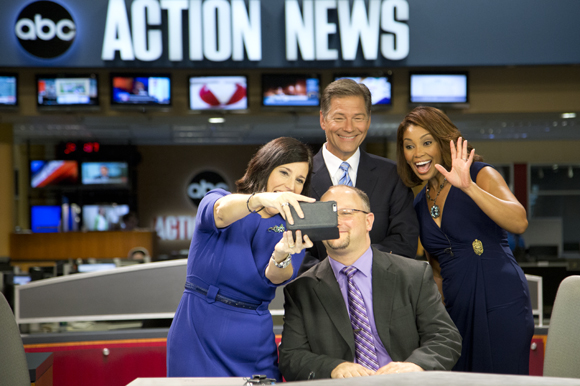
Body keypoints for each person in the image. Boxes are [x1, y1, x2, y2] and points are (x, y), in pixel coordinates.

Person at [396, 106, 534, 374]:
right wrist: (435, 321)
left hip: (501, 299)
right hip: (457, 310)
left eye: (427, 142)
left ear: (443, 142)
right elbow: (436, 271)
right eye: (409, 146)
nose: (418, 153)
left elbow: (519, 222)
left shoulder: (480, 174)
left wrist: (468, 187)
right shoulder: (418, 205)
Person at [167, 137, 315, 380]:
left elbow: (276, 278)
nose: (291, 185)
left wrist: (281, 255)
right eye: (284, 173)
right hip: (199, 328)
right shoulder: (221, 200)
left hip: (254, 336)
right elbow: (219, 213)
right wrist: (259, 199)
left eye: (299, 180)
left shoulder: (293, 226)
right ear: (265, 167)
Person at [278, 185, 461, 381]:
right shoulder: (301, 289)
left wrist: (415, 365)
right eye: (328, 214)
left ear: (368, 221)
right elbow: (291, 357)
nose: (337, 221)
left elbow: (445, 337)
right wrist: (334, 368)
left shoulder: (413, 275)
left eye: (346, 212)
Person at [298, 79, 418, 275]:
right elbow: (292, 245)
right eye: (339, 117)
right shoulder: (300, 178)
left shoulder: (392, 176)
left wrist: (359, 267)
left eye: (358, 118)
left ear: (368, 120)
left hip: (379, 292)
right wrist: (334, 274)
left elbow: (404, 241)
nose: (349, 127)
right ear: (323, 119)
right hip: (315, 294)